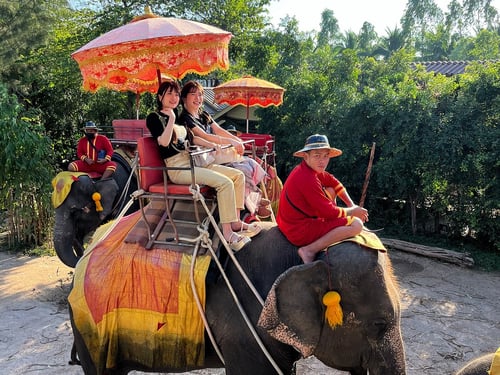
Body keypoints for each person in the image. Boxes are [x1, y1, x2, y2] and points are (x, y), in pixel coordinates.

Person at [145, 80, 261, 252]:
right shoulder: (156, 117)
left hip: (193, 162)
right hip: (178, 169)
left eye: (176, 94)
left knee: (238, 176)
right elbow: (163, 142)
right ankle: (227, 233)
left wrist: (212, 145)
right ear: (160, 96)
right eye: (169, 93)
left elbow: (193, 139)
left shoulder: (176, 115)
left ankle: (235, 221)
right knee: (225, 183)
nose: (173, 97)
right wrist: (171, 119)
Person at [178, 80, 271, 219]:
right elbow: (205, 136)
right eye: (193, 95)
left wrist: (237, 140)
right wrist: (231, 141)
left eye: (200, 94)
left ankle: (253, 197)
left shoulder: (203, 115)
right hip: (204, 157)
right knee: (240, 170)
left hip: (215, 153)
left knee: (248, 163)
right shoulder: (185, 118)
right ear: (184, 98)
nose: (198, 98)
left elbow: (219, 130)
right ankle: (251, 205)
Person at [277, 134, 369, 264]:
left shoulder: (308, 170)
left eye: (326, 156)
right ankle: (309, 250)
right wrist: (353, 212)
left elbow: (334, 182)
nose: (322, 161)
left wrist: (351, 205)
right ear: (306, 156)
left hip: (291, 222)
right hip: (298, 230)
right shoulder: (307, 178)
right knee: (356, 225)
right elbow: (329, 212)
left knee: (331, 189)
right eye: (317, 156)